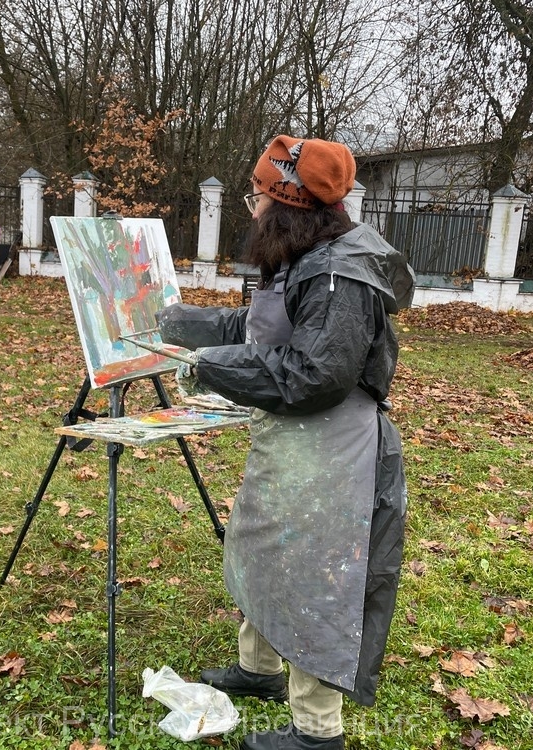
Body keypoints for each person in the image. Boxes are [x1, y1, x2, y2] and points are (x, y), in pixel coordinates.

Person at [157, 136, 415, 750]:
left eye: (257, 197)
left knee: (311, 578)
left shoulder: (338, 275)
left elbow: (314, 375)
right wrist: (174, 321)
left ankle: (317, 733)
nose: (252, 210)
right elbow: (261, 331)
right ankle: (260, 670)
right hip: (292, 443)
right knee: (264, 550)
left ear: (287, 205)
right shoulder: (305, 257)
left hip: (333, 454)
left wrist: (209, 367)